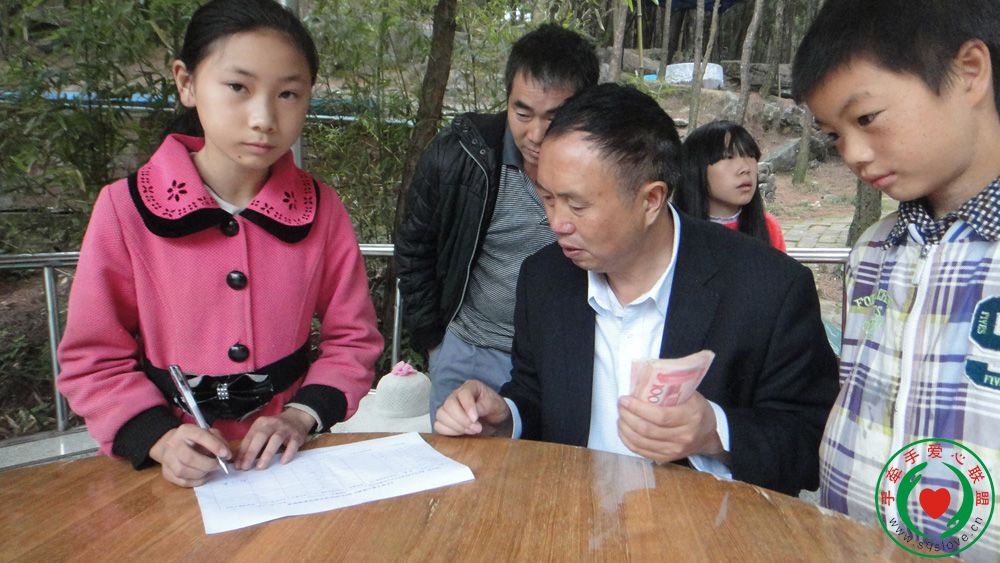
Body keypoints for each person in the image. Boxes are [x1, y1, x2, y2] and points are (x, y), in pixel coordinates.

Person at [434, 83, 840, 495]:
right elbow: (537, 395)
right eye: (548, 198)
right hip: (572, 514)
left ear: (651, 200)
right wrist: (507, 416)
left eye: (577, 205)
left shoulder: (768, 288)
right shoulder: (545, 279)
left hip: (706, 525)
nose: (557, 223)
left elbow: (812, 442)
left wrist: (714, 432)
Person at [56, 0, 383, 487]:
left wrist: (300, 416)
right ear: (186, 83)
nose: (264, 118)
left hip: (291, 466)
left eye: (288, 94)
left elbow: (353, 339)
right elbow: (93, 358)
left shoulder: (321, 209)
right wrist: (159, 439)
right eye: (238, 87)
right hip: (169, 474)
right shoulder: (126, 209)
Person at [793, 0, 1000, 556]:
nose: (853, 154)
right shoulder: (874, 250)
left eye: (865, 118)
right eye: (834, 135)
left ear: (969, 72)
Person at [394, 24, 599, 423]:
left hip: (557, 362)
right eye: (522, 113)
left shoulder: (605, 172)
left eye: (555, 117)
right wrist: (434, 344)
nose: (535, 134)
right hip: (468, 352)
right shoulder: (462, 154)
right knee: (459, 458)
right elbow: (415, 249)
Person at [675, 120, 786, 251]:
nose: (745, 168)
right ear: (695, 168)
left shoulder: (768, 227)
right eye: (728, 157)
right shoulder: (670, 229)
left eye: (751, 155)